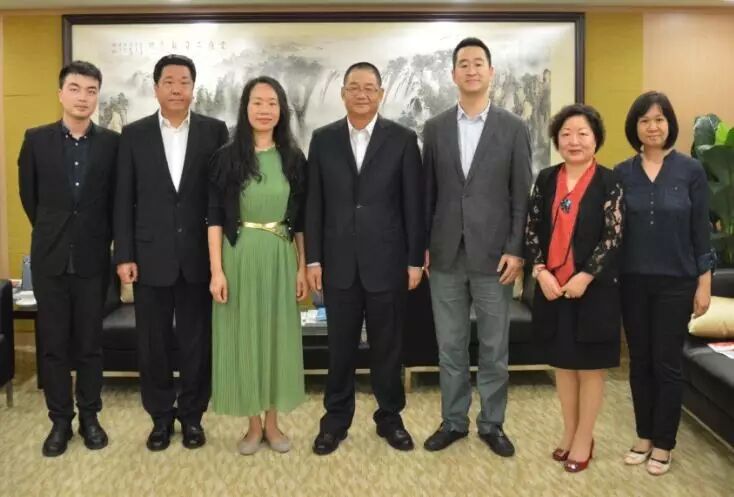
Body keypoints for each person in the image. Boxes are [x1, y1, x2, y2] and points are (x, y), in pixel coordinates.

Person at [305, 62, 424, 455]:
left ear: (381, 94)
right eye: (354, 87)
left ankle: (390, 418)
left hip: (387, 263)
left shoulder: (403, 139)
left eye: (369, 88)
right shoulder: (323, 140)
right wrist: (313, 260)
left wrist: (414, 261)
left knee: (388, 348)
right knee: (339, 350)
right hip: (337, 264)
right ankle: (335, 422)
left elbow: (413, 205)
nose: (361, 94)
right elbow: (314, 204)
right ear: (343, 93)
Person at [422, 37, 532, 457]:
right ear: (453, 74)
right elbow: (427, 195)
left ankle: (492, 423)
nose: (471, 70)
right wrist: (423, 247)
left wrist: (516, 249)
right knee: (449, 346)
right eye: (463, 64)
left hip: (495, 257)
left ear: (491, 72)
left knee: (493, 347)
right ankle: (453, 421)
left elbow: (521, 195)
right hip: (445, 253)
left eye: (478, 63)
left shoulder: (513, 127)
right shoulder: (435, 128)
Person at [114, 54, 229, 451]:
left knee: (198, 344)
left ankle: (193, 417)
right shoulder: (134, 134)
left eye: (184, 82)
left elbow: (222, 198)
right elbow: (123, 199)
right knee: (153, 344)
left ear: (193, 88)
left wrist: (222, 259)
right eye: (169, 81)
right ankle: (160, 418)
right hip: (150, 257)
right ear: (156, 88)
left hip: (199, 258)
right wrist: (124, 254)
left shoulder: (215, 131)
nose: (177, 89)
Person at [18, 61, 119, 457]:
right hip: (51, 259)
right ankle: (60, 421)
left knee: (90, 345)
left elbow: (115, 201)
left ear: (98, 97)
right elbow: (30, 198)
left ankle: (90, 417)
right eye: (75, 88)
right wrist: (56, 232)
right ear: (60, 93)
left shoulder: (112, 144)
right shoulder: (36, 140)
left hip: (93, 259)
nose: (83, 97)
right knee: (54, 346)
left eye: (91, 90)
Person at [207, 76, 309, 455]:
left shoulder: (294, 158)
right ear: (245, 108)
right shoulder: (226, 158)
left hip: (280, 256)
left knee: (277, 339)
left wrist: (302, 267)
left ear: (281, 110)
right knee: (244, 337)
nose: (264, 110)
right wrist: (216, 270)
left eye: (272, 103)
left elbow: (301, 221)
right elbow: (214, 218)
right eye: (257, 102)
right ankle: (252, 425)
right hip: (239, 256)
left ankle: (273, 423)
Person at [616, 91, 713, 475]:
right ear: (635, 127)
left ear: (669, 124)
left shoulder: (691, 171)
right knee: (639, 361)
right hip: (632, 282)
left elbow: (701, 232)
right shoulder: (622, 173)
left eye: (659, 119)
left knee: (667, 363)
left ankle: (664, 443)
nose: (652, 127)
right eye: (645, 120)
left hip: (677, 282)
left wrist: (704, 284)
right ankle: (644, 435)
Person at [525, 103, 623, 473]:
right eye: (566, 134)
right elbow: (531, 229)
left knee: (590, 368)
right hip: (553, 288)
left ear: (596, 139)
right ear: (557, 140)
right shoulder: (546, 178)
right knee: (564, 365)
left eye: (582, 133)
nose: (574, 140)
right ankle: (568, 432)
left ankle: (585, 438)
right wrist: (540, 272)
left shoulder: (610, 181)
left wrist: (585, 276)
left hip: (594, 290)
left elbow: (614, 236)